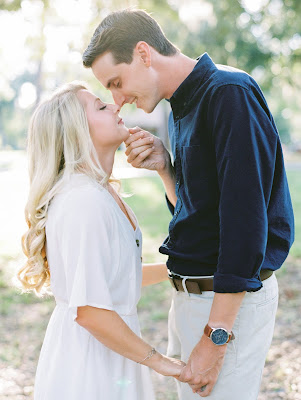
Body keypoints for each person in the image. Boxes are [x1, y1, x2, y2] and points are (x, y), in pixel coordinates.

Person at [82, 9, 295, 400]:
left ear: (144, 53)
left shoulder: (229, 94)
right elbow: (198, 215)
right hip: (190, 299)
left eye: (116, 82)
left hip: (228, 306)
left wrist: (215, 339)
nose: (118, 100)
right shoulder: (179, 106)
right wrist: (166, 169)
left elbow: (246, 227)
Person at [17, 81, 185, 400]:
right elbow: (90, 311)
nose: (114, 105)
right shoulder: (83, 201)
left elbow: (116, 278)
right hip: (89, 360)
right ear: (76, 131)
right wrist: (162, 363)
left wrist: (177, 270)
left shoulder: (102, 192)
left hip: (114, 346)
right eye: (99, 106)